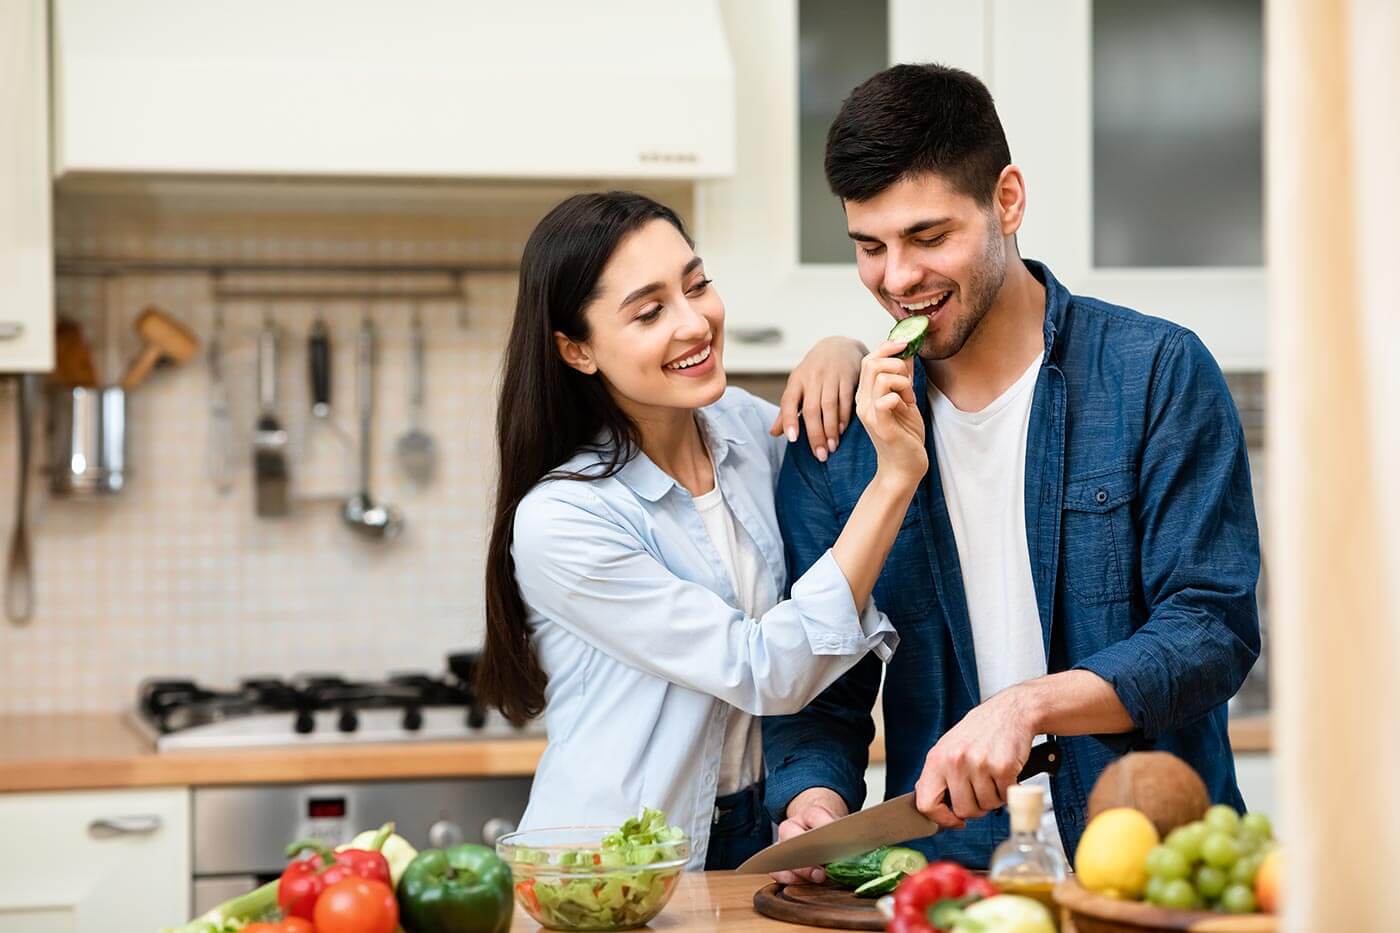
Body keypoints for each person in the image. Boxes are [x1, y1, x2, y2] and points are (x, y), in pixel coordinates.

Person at [763, 63, 1262, 874]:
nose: (896, 279)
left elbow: (1210, 629)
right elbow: (821, 689)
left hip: (1161, 871)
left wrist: (1028, 704)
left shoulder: (1156, 372)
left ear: (1008, 200)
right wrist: (812, 806)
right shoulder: (842, 434)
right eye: (869, 246)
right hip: (955, 883)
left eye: (928, 238)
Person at [476, 191, 929, 869]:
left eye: (698, 285)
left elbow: (828, 536)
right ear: (576, 350)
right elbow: (761, 669)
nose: (694, 322)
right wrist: (893, 481)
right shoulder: (564, 518)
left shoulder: (751, 430)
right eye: (650, 311)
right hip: (613, 859)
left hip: (755, 825)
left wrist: (843, 347)